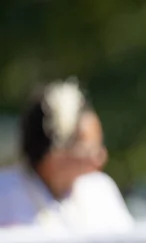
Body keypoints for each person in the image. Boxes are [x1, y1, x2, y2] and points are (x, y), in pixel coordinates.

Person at [0, 79, 134, 234]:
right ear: (55, 151)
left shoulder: (100, 190)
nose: (100, 156)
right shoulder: (5, 192)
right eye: (89, 148)